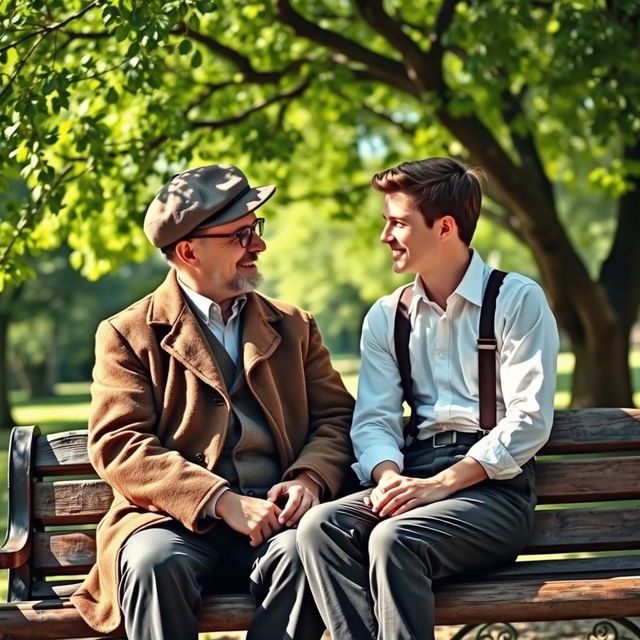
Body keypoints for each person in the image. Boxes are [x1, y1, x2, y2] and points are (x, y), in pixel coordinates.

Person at [71, 164, 355, 640]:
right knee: (151, 564)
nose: (258, 246)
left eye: (256, 230)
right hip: (169, 522)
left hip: (275, 519)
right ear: (187, 251)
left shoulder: (295, 325)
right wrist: (219, 500)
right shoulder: (127, 334)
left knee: (308, 553)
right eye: (241, 235)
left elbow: (336, 417)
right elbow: (118, 444)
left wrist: (310, 477)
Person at [297, 157, 559, 640]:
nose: (385, 236)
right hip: (414, 474)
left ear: (444, 227)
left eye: (397, 223)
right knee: (318, 530)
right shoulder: (386, 316)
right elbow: (374, 420)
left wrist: (443, 483)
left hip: (493, 493)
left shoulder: (517, 300)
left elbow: (529, 419)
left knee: (394, 540)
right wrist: (390, 476)